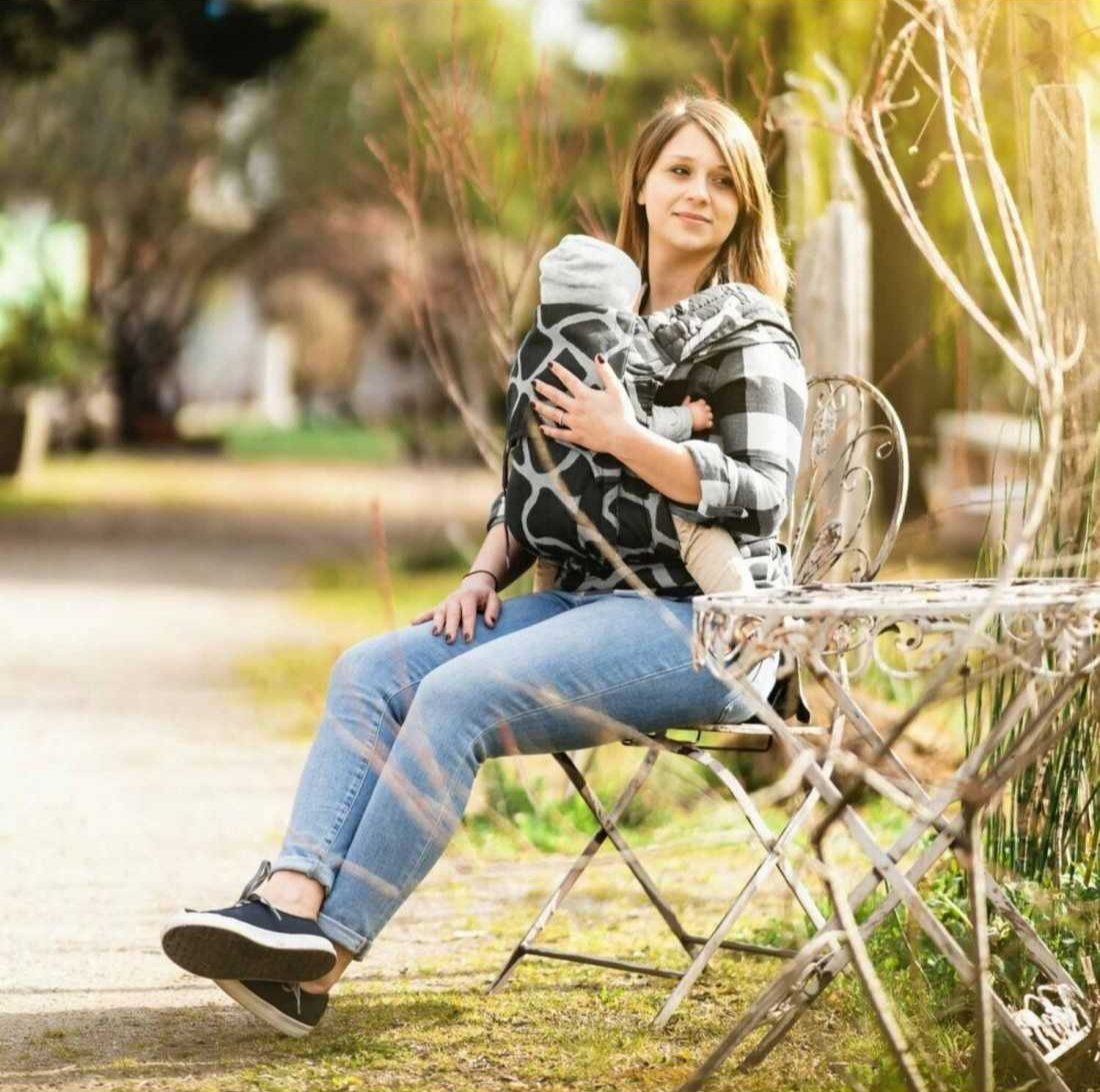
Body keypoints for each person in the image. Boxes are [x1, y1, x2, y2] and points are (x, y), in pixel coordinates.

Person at [160, 92, 807, 1038]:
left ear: (745, 206)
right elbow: (534, 476)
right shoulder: (589, 317)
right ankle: (288, 904)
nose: (697, 193)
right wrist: (479, 575)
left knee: (457, 698)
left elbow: (764, 492)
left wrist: (628, 438)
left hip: (706, 627)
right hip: (585, 598)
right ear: (641, 181)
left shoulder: (750, 331)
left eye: (720, 180)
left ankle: (324, 958)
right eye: (679, 170)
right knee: (373, 669)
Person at [522, 231, 754, 597]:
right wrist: (689, 418)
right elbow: (639, 423)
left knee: (549, 553)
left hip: (554, 502)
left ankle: (543, 599)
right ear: (626, 304)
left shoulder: (533, 361)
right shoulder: (612, 359)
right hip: (618, 500)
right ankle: (749, 618)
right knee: (692, 528)